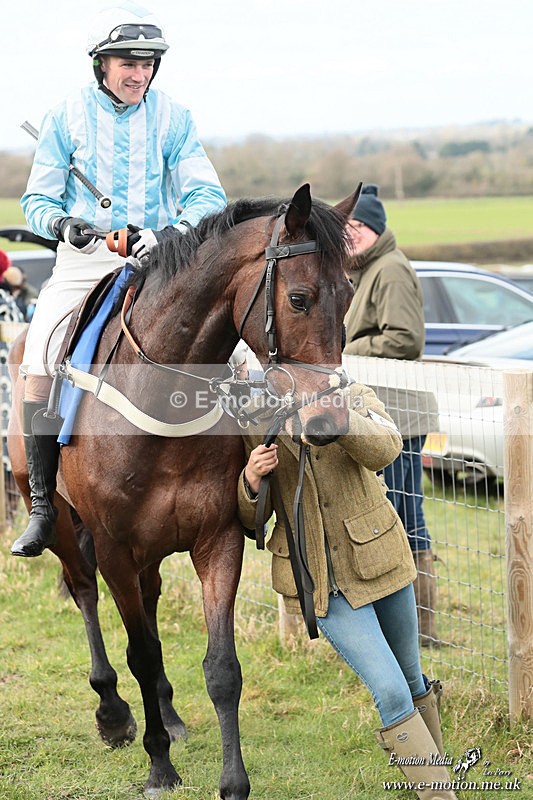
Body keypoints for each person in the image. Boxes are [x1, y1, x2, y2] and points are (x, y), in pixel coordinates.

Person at [11, 2, 227, 559]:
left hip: (159, 256)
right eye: (129, 63)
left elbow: (207, 195)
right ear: (102, 65)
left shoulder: (174, 117)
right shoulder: (64, 117)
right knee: (40, 357)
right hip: (85, 261)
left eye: (148, 64)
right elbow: (37, 200)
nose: (140, 74)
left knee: (239, 349)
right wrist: (65, 224)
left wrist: (171, 234)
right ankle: (43, 506)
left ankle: (249, 488)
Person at [237, 381, 457, 799]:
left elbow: (388, 448)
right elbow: (251, 520)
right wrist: (250, 479)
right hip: (318, 581)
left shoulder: (352, 394)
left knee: (412, 680)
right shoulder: (254, 416)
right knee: (390, 689)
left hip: (380, 556)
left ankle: (437, 780)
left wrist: (342, 419)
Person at [343, 184, 441, 647]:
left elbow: (405, 339)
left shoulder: (391, 270)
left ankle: (421, 628)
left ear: (372, 230)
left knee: (402, 516)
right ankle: (406, 627)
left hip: (400, 416)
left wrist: (347, 351)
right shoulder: (364, 271)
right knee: (394, 513)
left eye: (353, 229)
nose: (347, 238)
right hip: (380, 413)